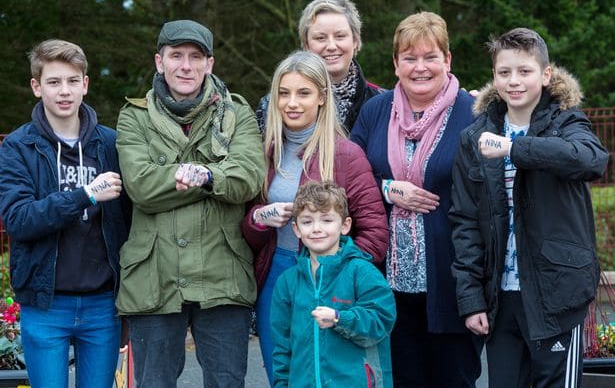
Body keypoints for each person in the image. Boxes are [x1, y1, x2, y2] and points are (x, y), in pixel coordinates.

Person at [449, 27, 608, 388]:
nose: (514, 81)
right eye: (504, 72)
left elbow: (590, 159)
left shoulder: (567, 122)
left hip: (556, 297)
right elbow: (465, 222)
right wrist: (472, 299)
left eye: (525, 71)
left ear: (546, 75)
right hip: (499, 298)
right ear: (494, 77)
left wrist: (514, 149)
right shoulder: (474, 137)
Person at [115, 20, 265, 387]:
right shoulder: (133, 117)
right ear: (159, 61)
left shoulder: (238, 114)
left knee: (227, 382)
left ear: (209, 64)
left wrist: (207, 176)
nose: (185, 65)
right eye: (176, 56)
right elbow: (142, 187)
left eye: (195, 57)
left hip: (223, 274)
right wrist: (213, 176)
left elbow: (248, 177)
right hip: (154, 277)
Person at [350, 11, 483, 387]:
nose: (420, 67)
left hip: (454, 283)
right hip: (390, 284)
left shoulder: (473, 114)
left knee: (455, 379)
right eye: (409, 58)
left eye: (430, 57)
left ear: (448, 60)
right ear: (395, 64)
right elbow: (351, 179)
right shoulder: (376, 111)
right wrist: (388, 189)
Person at [242, 50, 388, 385]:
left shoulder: (346, 154)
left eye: (303, 93)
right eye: (284, 93)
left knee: (329, 375)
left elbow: (376, 231)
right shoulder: (264, 153)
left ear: (322, 97)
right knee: (285, 373)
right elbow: (248, 229)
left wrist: (342, 270)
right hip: (278, 275)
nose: (292, 103)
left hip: (332, 282)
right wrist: (259, 219)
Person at [0, 39, 130, 387]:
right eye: (54, 82)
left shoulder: (111, 144)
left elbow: (130, 224)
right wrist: (85, 195)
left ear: (85, 85)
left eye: (73, 81)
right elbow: (18, 218)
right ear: (36, 86)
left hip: (103, 305)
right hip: (45, 304)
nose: (64, 91)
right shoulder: (18, 146)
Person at [270, 180, 396, 387]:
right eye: (307, 221)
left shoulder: (362, 272)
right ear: (296, 229)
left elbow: (381, 321)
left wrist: (341, 319)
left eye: (327, 220)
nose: (317, 229)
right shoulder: (287, 282)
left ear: (345, 225)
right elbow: (282, 347)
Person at [255, 0, 383, 134]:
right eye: (320, 38)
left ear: (355, 41)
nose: (331, 46)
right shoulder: (273, 105)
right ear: (306, 45)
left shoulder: (383, 103)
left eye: (340, 36)